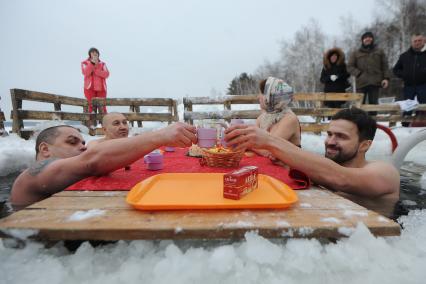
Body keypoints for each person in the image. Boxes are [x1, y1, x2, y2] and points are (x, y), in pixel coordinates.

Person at [225, 107, 400, 217]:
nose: (330, 141)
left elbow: (342, 179)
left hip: (375, 246)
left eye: (341, 137)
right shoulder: (328, 167)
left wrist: (270, 141)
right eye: (329, 134)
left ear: (365, 145)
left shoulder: (385, 172)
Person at [10, 122, 197, 209]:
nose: (82, 147)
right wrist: (161, 136)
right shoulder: (32, 175)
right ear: (45, 150)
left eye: (83, 142)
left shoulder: (65, 170)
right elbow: (91, 161)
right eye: (72, 142)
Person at [254, 77, 301, 159]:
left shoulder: (289, 119)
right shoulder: (263, 117)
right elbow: (254, 140)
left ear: (270, 96)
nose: (258, 97)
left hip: (290, 168)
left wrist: (247, 144)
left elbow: (269, 150)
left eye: (261, 93)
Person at [348, 32, 390, 110]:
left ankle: (373, 121)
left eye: (370, 37)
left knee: (373, 107)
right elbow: (350, 67)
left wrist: (386, 78)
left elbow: (385, 66)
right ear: (362, 40)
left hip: (375, 83)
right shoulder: (356, 53)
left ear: (372, 39)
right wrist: (359, 74)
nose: (368, 39)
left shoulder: (380, 51)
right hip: (361, 83)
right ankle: (360, 122)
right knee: (359, 106)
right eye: (365, 37)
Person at [393, 33, 426, 126]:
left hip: (424, 85)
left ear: (424, 41)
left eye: (419, 40)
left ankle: (423, 126)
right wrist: (404, 75)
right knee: (407, 107)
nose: (417, 43)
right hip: (409, 86)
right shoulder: (404, 56)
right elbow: (395, 70)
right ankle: (405, 126)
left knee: (424, 106)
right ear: (412, 42)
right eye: (415, 41)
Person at [81, 47, 109, 113]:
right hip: (89, 88)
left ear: (98, 54)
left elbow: (106, 74)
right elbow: (85, 72)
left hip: (101, 89)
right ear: (89, 54)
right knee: (90, 106)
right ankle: (90, 123)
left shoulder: (103, 64)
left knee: (102, 106)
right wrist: (92, 63)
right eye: (92, 52)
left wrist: (96, 71)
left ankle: (103, 122)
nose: (94, 53)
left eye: (96, 52)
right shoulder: (85, 63)